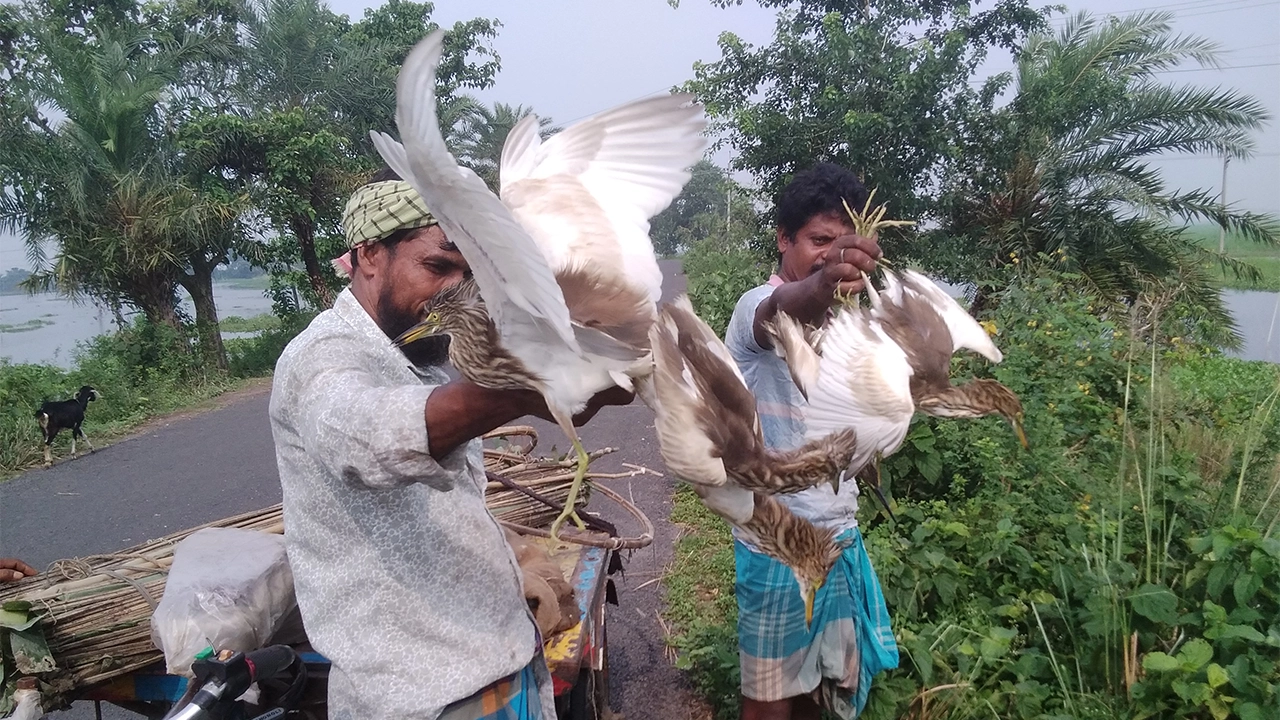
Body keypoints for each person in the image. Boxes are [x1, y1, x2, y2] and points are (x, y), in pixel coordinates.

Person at [268, 169, 632, 720]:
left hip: (505, 662)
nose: (455, 290)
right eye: (437, 265)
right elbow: (362, 433)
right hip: (424, 697)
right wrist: (525, 392)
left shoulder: (429, 355)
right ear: (370, 255)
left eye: (469, 272)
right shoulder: (321, 357)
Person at [723, 162, 900, 720]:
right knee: (770, 703)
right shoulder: (756, 308)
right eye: (819, 241)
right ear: (783, 239)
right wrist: (824, 283)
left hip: (839, 535)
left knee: (819, 696)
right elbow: (786, 307)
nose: (830, 255)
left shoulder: (850, 328)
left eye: (842, 244)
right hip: (776, 543)